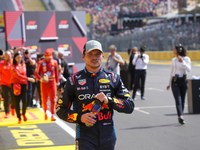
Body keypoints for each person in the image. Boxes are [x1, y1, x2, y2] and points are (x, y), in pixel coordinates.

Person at [56, 40, 134, 150]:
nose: (94, 57)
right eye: (90, 54)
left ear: (102, 56)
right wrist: (80, 117)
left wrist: (109, 101)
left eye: (97, 54)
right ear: (83, 56)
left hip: (108, 137)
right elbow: (60, 110)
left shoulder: (113, 78)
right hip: (85, 137)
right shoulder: (73, 80)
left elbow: (130, 106)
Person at [166, 44, 191, 125]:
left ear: (178, 50)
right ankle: (180, 116)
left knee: (183, 100)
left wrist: (182, 62)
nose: (173, 50)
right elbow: (171, 72)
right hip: (175, 81)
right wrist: (169, 83)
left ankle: (181, 115)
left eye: (174, 49)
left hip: (183, 81)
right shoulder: (173, 60)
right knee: (178, 99)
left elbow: (189, 69)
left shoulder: (186, 59)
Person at [34, 49, 59, 121]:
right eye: (47, 57)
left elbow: (57, 73)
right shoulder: (40, 63)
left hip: (52, 82)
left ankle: (52, 115)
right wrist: (41, 79)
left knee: (53, 99)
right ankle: (45, 113)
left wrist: (57, 82)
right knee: (44, 99)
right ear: (45, 56)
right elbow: (36, 74)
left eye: (50, 57)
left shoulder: (55, 62)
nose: (49, 58)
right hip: (44, 83)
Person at [10, 52, 35, 124]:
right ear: (15, 58)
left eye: (20, 57)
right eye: (18, 57)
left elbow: (24, 73)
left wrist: (26, 83)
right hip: (16, 84)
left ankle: (23, 114)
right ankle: (19, 117)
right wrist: (28, 79)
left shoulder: (23, 64)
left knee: (25, 100)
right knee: (17, 101)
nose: (19, 59)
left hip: (23, 84)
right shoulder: (13, 66)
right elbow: (17, 75)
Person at [0, 51, 15, 118]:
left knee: (14, 97)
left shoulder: (14, 62)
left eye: (8, 56)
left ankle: (12, 107)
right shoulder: (1, 63)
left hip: (13, 82)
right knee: (6, 97)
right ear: (4, 56)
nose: (7, 57)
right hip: (4, 83)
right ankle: (7, 112)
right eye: (6, 56)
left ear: (11, 56)